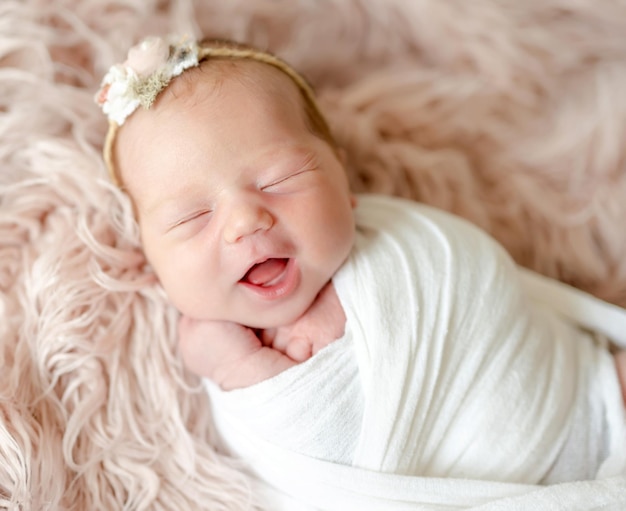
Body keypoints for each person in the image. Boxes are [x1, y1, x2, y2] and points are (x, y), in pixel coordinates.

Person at [95, 34, 626, 489]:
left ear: (343, 181)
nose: (244, 222)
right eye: (191, 218)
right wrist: (236, 366)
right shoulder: (215, 350)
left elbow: (472, 283)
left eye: (278, 180)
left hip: (588, 399)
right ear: (151, 259)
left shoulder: (401, 244)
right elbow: (319, 462)